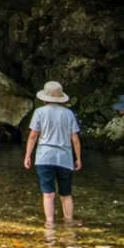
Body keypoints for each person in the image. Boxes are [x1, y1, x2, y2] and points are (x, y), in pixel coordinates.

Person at [23, 81, 82, 226]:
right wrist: (78, 159)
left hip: (44, 157)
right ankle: (69, 221)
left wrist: (27, 155)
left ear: (44, 98)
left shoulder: (40, 112)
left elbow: (33, 135)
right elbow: (75, 139)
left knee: (48, 193)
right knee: (66, 194)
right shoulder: (68, 113)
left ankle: (50, 224)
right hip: (65, 158)